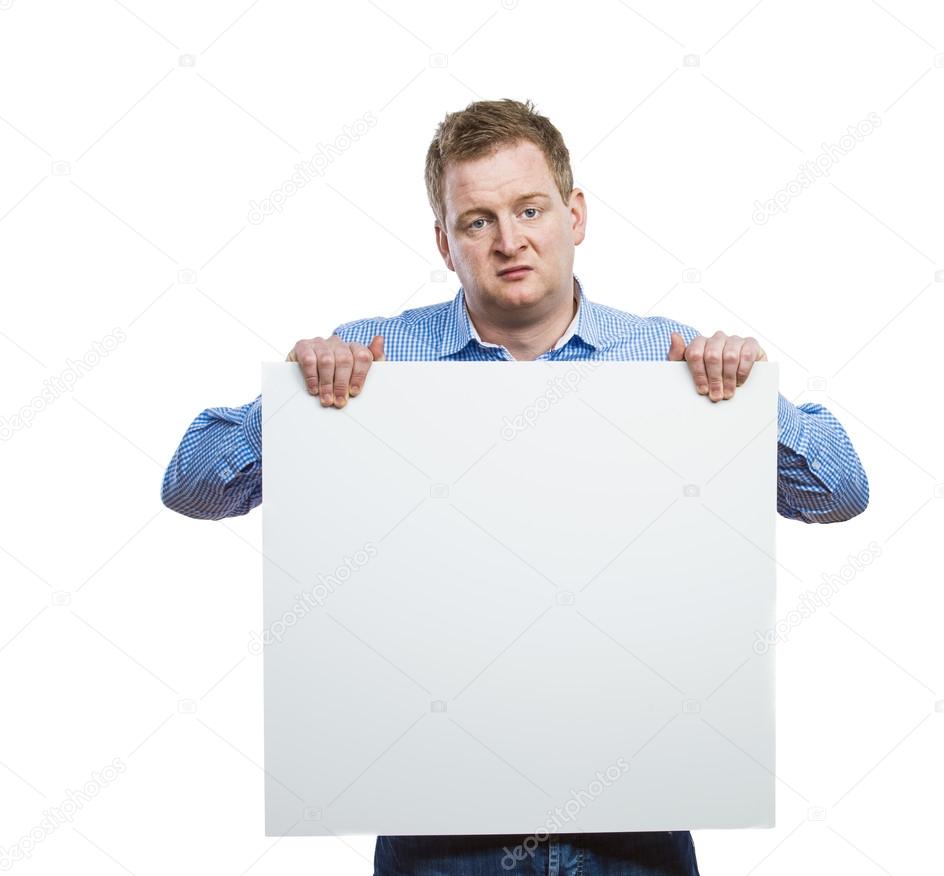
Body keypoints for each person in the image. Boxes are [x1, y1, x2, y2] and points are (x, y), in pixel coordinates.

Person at [162, 98, 869, 876]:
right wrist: (292, 404)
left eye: (529, 209)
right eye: (477, 221)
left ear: (574, 213)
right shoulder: (375, 358)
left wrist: (752, 401)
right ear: (443, 241)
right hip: (436, 833)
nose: (509, 240)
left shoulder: (668, 361)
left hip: (636, 829)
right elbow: (193, 488)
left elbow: (838, 492)